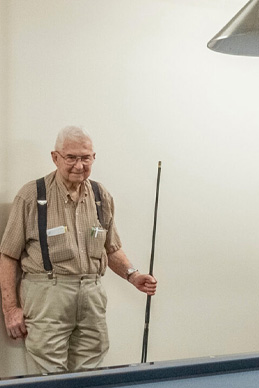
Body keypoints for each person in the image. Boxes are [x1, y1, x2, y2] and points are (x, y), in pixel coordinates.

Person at [0, 126, 157, 373]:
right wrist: (10, 309)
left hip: (91, 295)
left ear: (94, 157)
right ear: (55, 157)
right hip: (47, 297)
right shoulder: (32, 195)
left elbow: (111, 248)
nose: (79, 165)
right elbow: (8, 256)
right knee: (50, 374)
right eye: (71, 157)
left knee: (91, 373)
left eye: (85, 157)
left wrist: (133, 275)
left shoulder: (100, 195)